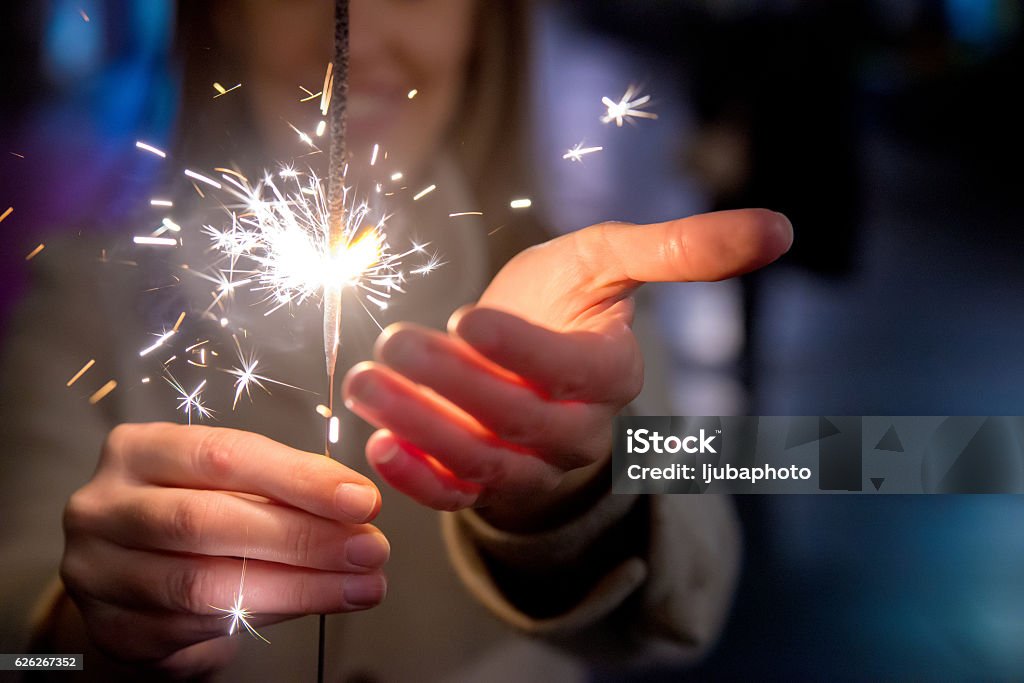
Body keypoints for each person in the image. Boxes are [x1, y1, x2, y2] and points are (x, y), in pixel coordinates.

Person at [0, 1, 792, 680]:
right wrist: (81, 639)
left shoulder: (577, 301)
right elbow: (16, 657)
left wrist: (566, 499)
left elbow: (692, 597)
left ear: (483, 22)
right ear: (221, 16)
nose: (359, 38)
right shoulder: (90, 297)